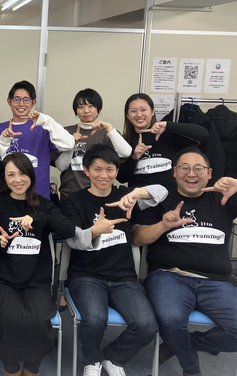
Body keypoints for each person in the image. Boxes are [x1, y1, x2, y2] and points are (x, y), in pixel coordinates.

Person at [60, 144, 164, 376]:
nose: (104, 175)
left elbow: (162, 192)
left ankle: (114, 357)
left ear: (117, 171)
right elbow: (73, 241)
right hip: (86, 276)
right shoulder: (73, 201)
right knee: (95, 319)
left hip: (124, 278)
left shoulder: (125, 196)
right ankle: (92, 360)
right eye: (97, 169)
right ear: (86, 170)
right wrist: (95, 231)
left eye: (109, 169)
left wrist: (137, 194)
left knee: (147, 325)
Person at [133, 147, 237, 376]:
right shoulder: (160, 198)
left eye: (198, 168)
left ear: (209, 173)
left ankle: (178, 344)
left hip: (216, 281)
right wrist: (163, 225)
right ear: (174, 172)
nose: (191, 174)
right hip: (169, 276)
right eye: (185, 168)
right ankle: (191, 369)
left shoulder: (224, 197)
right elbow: (138, 238)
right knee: (171, 320)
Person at [0, 152, 74, 376]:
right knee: (9, 318)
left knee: (38, 319)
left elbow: (69, 230)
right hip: (2, 279)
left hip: (36, 280)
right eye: (11, 174)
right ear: (4, 178)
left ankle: (32, 368)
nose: (17, 179)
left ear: (30, 175)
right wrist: (0, 242)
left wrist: (40, 218)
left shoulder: (44, 205)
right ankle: (11, 368)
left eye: (22, 173)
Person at [0, 80, 74, 199]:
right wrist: (4, 139)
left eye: (26, 100)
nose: (21, 104)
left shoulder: (44, 129)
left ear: (33, 102)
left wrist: (46, 120)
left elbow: (69, 145)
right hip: (6, 199)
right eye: (16, 99)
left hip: (38, 198)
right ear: (9, 101)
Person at [118, 93, 208, 190]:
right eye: (133, 111)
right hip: (139, 196)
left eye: (143, 110)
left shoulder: (167, 134)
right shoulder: (123, 142)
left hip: (170, 195)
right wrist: (134, 157)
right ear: (128, 115)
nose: (139, 115)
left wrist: (168, 125)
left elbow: (203, 135)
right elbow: (122, 178)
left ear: (152, 111)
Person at [54, 89, 132, 201]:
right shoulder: (66, 132)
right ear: (76, 111)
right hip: (70, 195)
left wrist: (109, 128)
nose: (86, 111)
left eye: (91, 106)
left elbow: (126, 153)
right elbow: (61, 167)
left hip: (100, 195)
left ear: (98, 109)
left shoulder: (107, 133)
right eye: (81, 107)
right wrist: (71, 144)